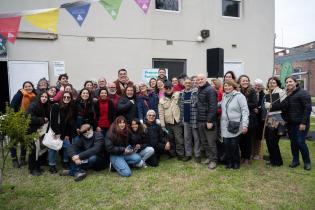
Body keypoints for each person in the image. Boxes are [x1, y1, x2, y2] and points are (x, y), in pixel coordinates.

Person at [269, 76, 312, 170]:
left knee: (300, 142)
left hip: (301, 123)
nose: (288, 83)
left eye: (290, 81)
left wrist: (303, 123)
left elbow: (307, 109)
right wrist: (270, 106)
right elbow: (282, 105)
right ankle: (295, 161)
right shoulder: (288, 95)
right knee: (293, 143)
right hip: (291, 123)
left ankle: (307, 162)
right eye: (287, 82)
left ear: (296, 83)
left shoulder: (303, 93)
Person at [221, 80, 249, 169]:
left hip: (235, 125)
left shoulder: (239, 96)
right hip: (225, 125)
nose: (227, 87)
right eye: (225, 86)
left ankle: (236, 162)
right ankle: (229, 162)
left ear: (233, 86)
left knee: (233, 145)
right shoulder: (224, 96)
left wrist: (245, 125)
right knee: (226, 144)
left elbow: (245, 111)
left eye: (229, 86)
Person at [10, 81, 37, 168]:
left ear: (32, 87)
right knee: (14, 140)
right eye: (26, 86)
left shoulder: (34, 96)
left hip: (27, 121)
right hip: (17, 119)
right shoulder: (19, 94)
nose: (28, 88)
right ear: (23, 87)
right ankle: (14, 160)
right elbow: (12, 106)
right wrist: (16, 118)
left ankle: (22, 158)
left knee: (24, 140)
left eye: (30, 86)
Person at [49, 91, 77, 173]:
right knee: (53, 148)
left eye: (68, 97)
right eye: (64, 97)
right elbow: (53, 121)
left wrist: (67, 134)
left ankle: (65, 162)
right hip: (55, 132)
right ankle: (52, 165)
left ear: (71, 98)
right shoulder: (56, 106)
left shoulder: (71, 108)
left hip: (65, 132)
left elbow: (70, 123)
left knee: (67, 147)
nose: (66, 98)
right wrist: (57, 133)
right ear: (62, 97)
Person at [196, 74, 218, 169]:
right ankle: (209, 157)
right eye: (198, 79)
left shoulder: (210, 90)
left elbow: (213, 106)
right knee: (204, 142)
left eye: (202, 79)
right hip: (200, 120)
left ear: (205, 80)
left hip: (208, 121)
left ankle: (214, 160)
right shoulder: (200, 89)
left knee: (211, 142)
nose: (200, 81)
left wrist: (209, 120)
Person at [263, 77, 286, 167]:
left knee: (273, 140)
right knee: (269, 140)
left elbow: (284, 106)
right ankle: (273, 160)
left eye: (273, 82)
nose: (271, 84)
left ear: (277, 84)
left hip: (278, 118)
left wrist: (271, 105)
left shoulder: (281, 92)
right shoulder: (268, 93)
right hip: (270, 118)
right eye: (270, 83)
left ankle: (278, 161)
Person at [26, 91, 50, 176]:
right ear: (39, 97)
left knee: (38, 149)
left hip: (39, 131)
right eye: (42, 96)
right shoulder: (33, 105)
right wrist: (42, 120)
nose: (44, 98)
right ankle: (32, 169)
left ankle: (37, 166)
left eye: (46, 97)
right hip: (31, 131)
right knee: (33, 150)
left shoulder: (45, 106)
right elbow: (28, 117)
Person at [158, 81, 184, 160]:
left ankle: (180, 154)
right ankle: (172, 153)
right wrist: (162, 124)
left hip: (176, 122)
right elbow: (161, 113)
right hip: (168, 123)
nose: (168, 89)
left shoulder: (178, 94)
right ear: (164, 89)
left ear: (172, 88)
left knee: (179, 139)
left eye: (170, 88)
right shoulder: (161, 100)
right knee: (170, 139)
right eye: (166, 88)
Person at [237, 75, 258, 165]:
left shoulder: (252, 91)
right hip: (239, 118)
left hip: (250, 119)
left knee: (248, 140)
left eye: (247, 80)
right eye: (243, 81)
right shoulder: (237, 91)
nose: (245, 82)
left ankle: (247, 158)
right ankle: (242, 156)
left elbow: (254, 104)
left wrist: (242, 104)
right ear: (239, 82)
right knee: (241, 139)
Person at [179, 78, 201, 162]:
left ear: (191, 83)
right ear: (184, 84)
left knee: (196, 138)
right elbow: (180, 106)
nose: (187, 84)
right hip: (185, 119)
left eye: (189, 83)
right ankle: (188, 154)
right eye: (186, 83)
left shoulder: (196, 92)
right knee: (187, 138)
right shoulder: (181, 93)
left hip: (194, 118)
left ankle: (197, 155)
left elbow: (196, 103)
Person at [252, 78, 265, 160]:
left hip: (260, 119)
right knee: (251, 137)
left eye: (259, 86)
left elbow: (264, 107)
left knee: (258, 138)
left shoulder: (264, 95)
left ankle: (257, 154)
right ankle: (250, 153)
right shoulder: (250, 93)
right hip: (251, 118)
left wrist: (259, 110)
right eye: (256, 85)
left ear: (261, 87)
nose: (257, 87)